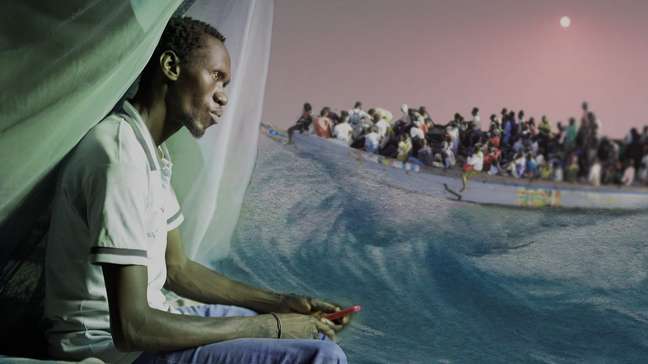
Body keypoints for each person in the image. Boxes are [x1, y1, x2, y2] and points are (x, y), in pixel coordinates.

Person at [44, 17, 348, 364]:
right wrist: (271, 327)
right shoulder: (119, 157)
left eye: (227, 83)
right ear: (171, 66)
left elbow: (178, 269)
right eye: (215, 76)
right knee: (321, 356)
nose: (223, 96)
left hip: (153, 321)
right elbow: (132, 327)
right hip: (109, 349)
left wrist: (279, 304)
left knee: (312, 332)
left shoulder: (150, 152)